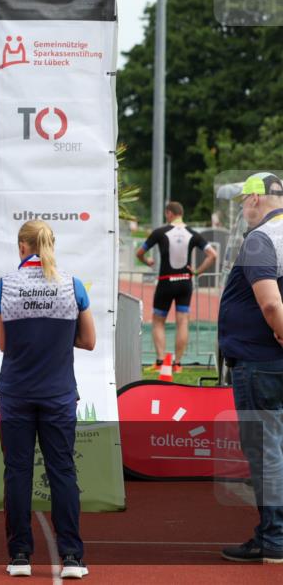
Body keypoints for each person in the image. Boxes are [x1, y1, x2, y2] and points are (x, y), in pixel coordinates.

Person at [0, 219, 95, 579]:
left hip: (16, 393)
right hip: (58, 394)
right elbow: (89, 341)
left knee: (17, 473)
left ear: (22, 247)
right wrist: (55, 340)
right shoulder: (73, 285)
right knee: (62, 472)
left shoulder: (6, 285)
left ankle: (19, 556)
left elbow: (4, 345)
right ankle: (72, 558)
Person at [217, 173, 283, 564]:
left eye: (244, 201)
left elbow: (271, 304)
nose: (242, 208)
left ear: (257, 199)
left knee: (266, 453)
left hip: (260, 363)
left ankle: (274, 538)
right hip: (267, 361)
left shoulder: (262, 238)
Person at [137, 201, 218, 371]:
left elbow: (139, 253)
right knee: (182, 323)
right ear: (181, 214)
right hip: (185, 282)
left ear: (168, 213)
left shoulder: (160, 232)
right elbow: (212, 255)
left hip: (166, 281)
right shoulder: (193, 233)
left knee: (158, 322)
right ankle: (178, 364)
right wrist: (197, 272)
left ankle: (160, 362)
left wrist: (147, 261)